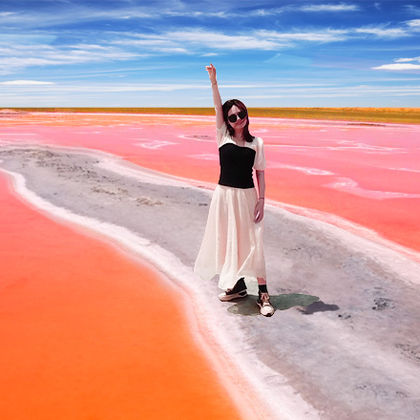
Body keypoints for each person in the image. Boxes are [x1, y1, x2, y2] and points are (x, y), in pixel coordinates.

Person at [193, 64, 275, 317]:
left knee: (253, 242)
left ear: (247, 115)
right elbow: (217, 107)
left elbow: (260, 172)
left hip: (247, 197)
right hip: (224, 197)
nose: (238, 119)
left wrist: (262, 200)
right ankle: (237, 287)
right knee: (228, 241)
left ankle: (263, 294)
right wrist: (214, 82)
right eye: (232, 117)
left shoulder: (256, 143)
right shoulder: (222, 136)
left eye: (241, 114)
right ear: (227, 121)